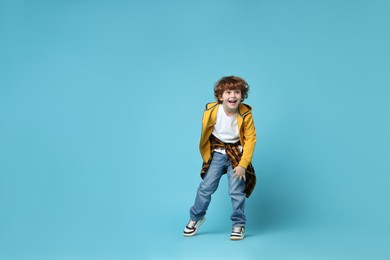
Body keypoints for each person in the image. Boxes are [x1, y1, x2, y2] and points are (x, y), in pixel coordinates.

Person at [183, 76, 257, 240]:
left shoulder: (246, 114)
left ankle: (239, 224)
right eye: (228, 92)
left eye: (237, 92)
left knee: (236, 191)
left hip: (236, 153)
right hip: (217, 152)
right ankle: (196, 217)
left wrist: (243, 164)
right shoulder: (211, 110)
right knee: (205, 187)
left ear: (241, 96)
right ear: (220, 96)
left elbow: (251, 139)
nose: (232, 96)